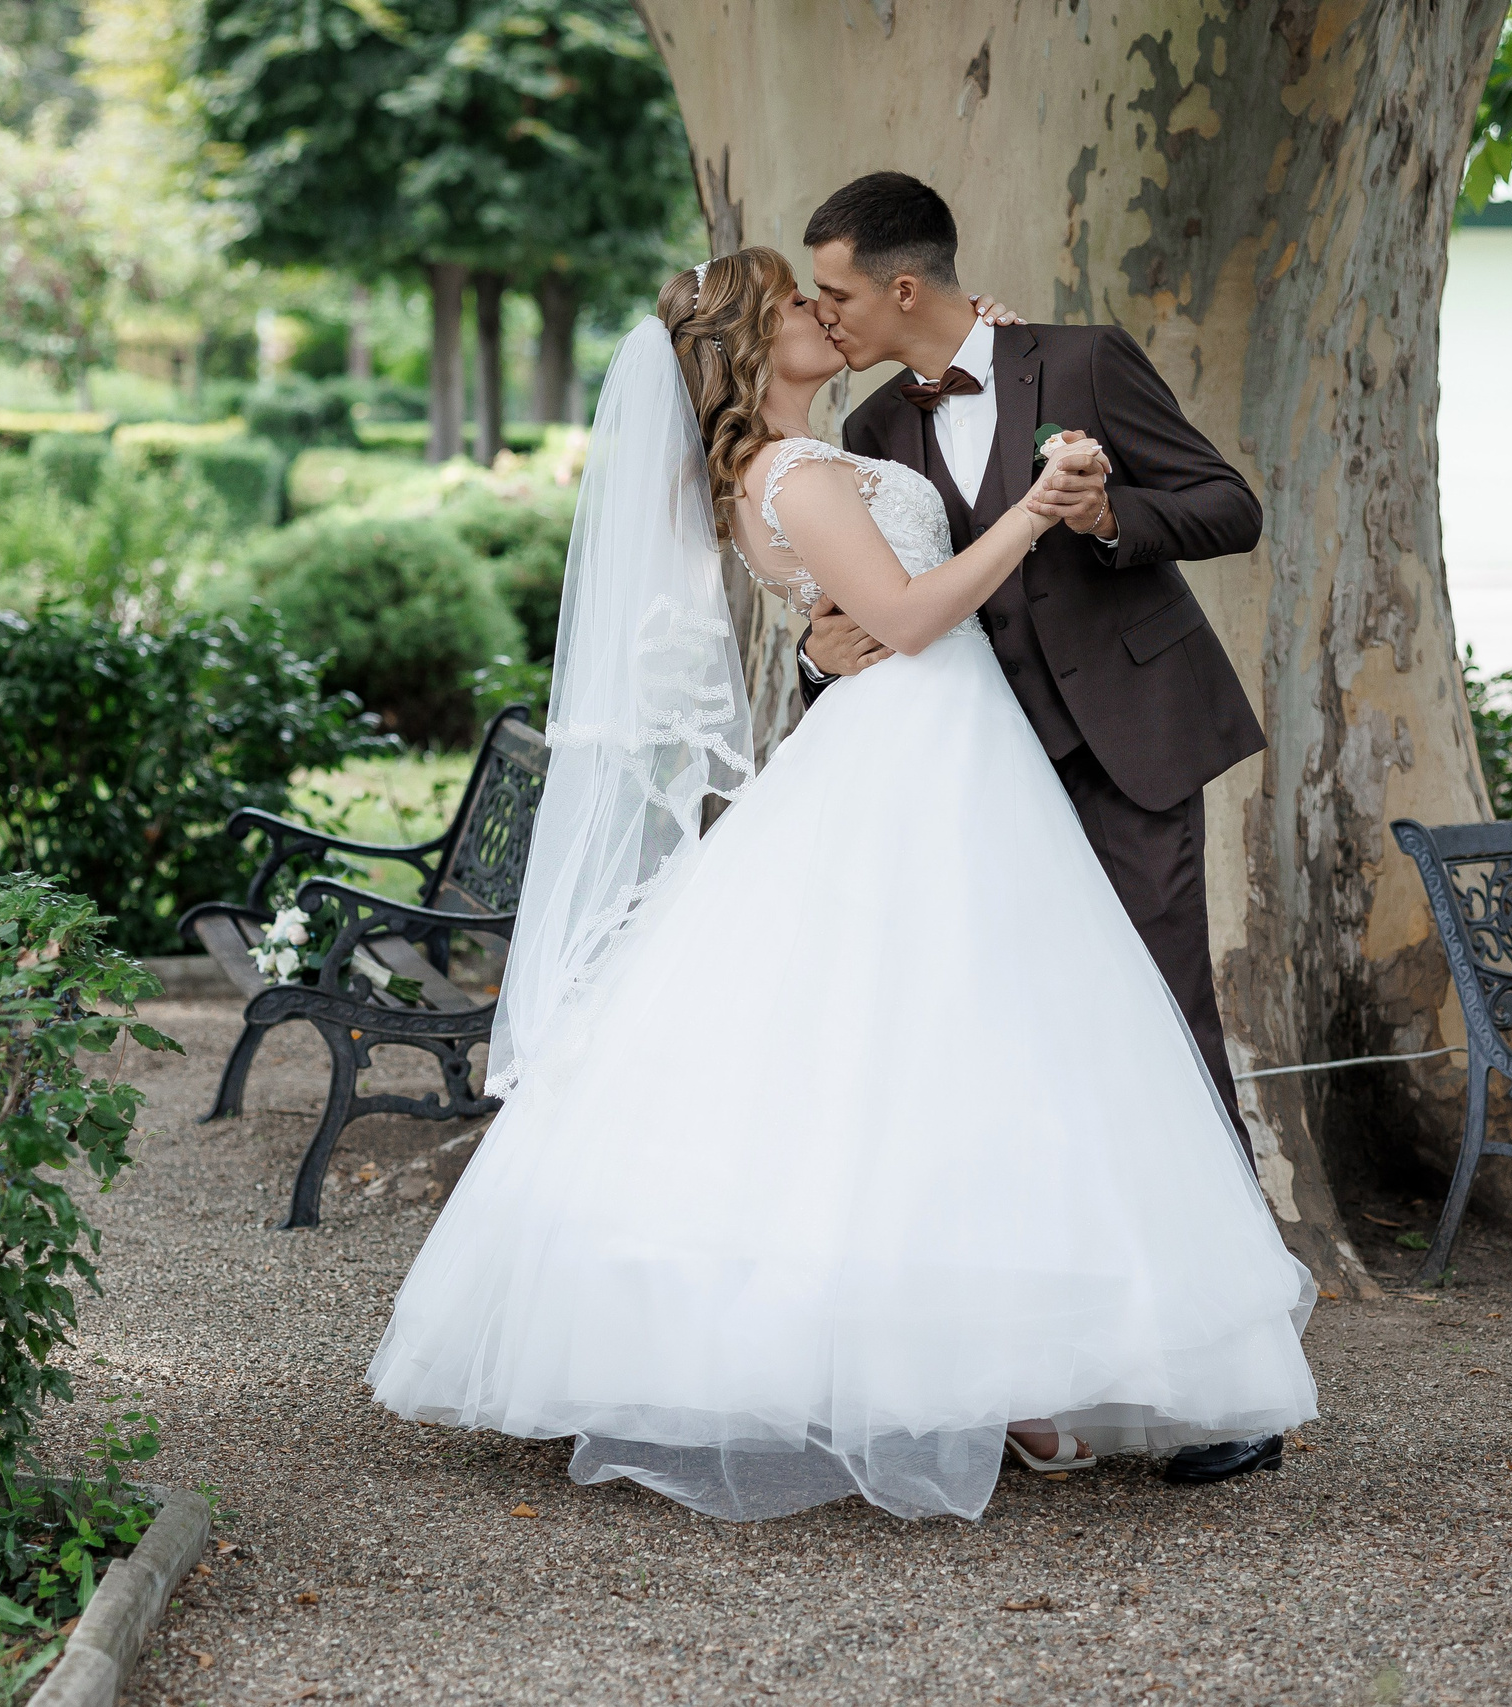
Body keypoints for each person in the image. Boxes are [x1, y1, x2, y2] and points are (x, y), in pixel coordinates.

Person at [364, 245, 1315, 1524]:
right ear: (752, 344)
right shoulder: (799, 465)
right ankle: (945, 1370)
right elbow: (905, 616)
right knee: (905, 1055)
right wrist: (1023, 521)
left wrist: (1000, 493)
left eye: (831, 294)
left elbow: (890, 592)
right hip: (920, 757)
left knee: (1001, 1052)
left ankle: (1022, 1370)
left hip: (991, 748)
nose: (822, 313)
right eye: (796, 304)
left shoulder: (861, 437)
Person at [800, 172, 1282, 1487]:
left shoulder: (1079, 359)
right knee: (1012, 1061)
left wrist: (1111, 513)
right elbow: (874, 607)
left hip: (1123, 754)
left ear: (904, 287)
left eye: (835, 289)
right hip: (973, 785)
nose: (822, 312)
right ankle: (1052, 1353)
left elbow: (1230, 505)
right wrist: (817, 644)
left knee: (1164, 1023)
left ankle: (1236, 1378)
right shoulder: (861, 427)